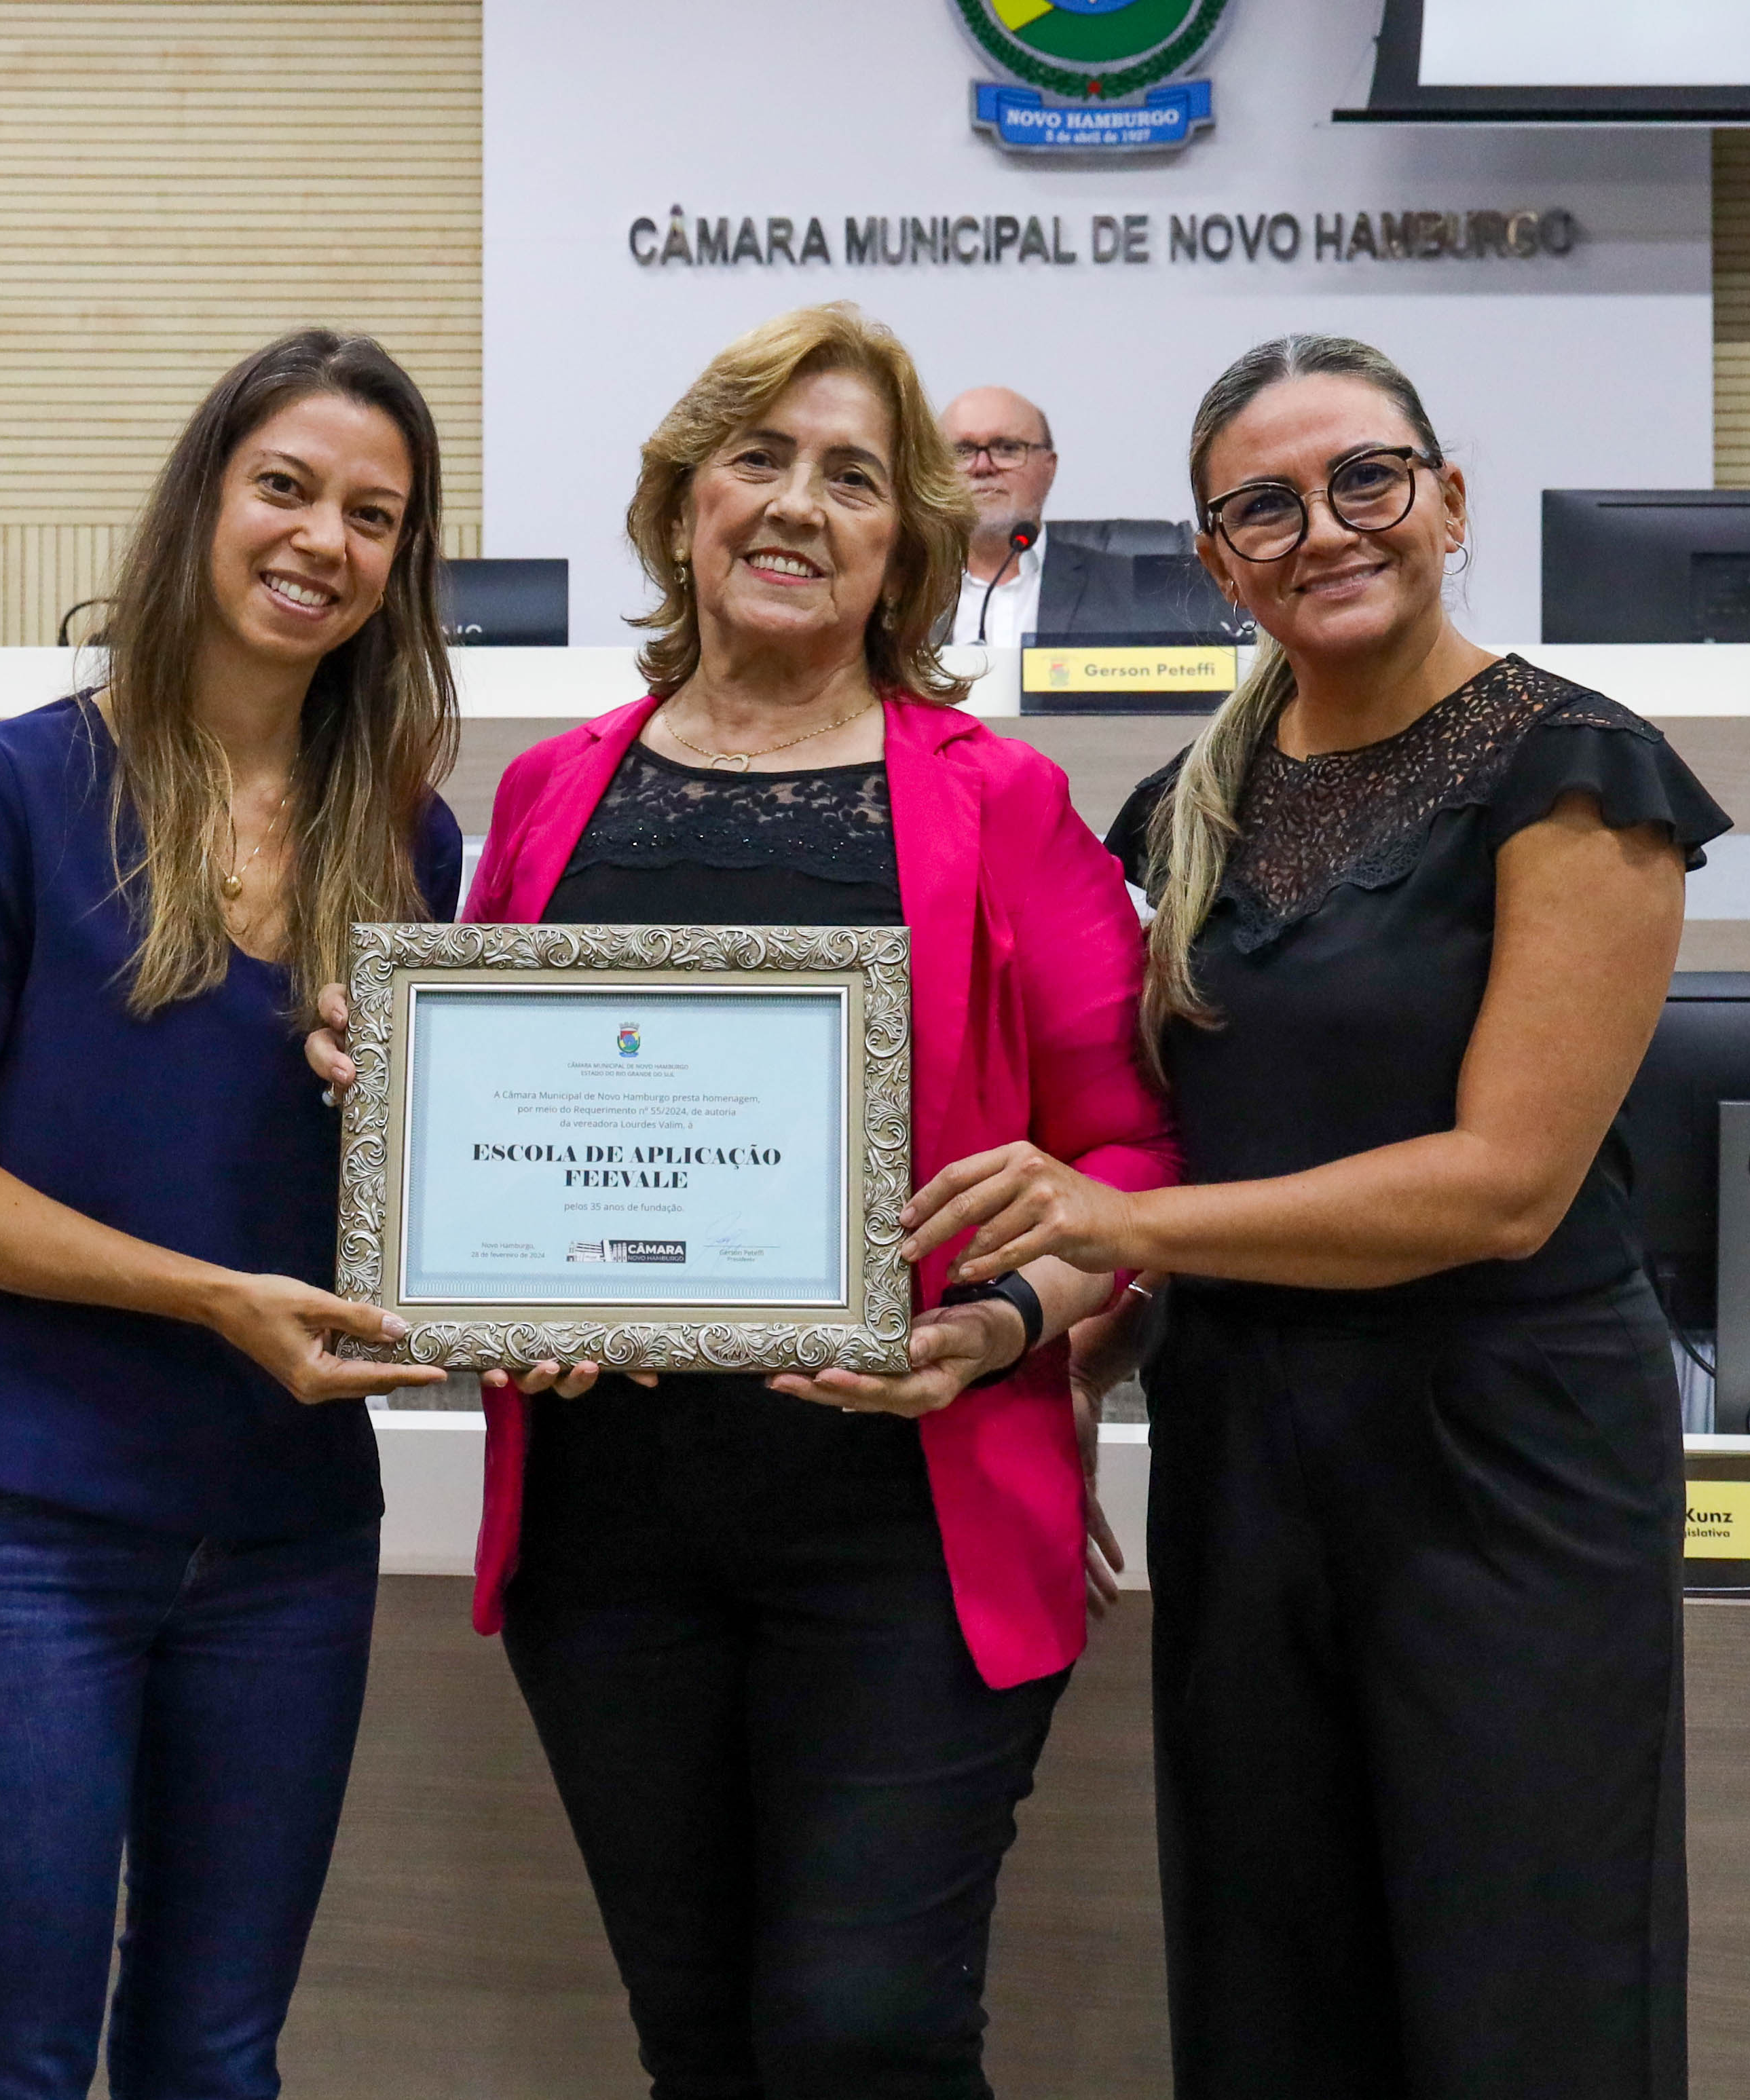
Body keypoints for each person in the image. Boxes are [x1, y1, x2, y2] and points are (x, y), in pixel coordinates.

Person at [314, 303, 1174, 2097]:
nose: (796, 504)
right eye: (757, 459)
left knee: (863, 2030)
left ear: (903, 542)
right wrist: (410, 1136)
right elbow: (501, 1142)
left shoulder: (1005, 803)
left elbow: (1130, 1155)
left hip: (905, 1534)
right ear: (682, 506)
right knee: (695, 2039)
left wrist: (1007, 1317)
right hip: (609, 1539)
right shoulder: (548, 792)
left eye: (850, 476)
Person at [901, 333, 1731, 2098]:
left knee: (1520, 1984)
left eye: (1364, 478)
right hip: (1246, 1442)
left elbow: (1502, 1188)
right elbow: (1138, 1165)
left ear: (1444, 499)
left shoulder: (1574, 770)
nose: (1321, 528)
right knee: (1268, 1975)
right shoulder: (1181, 804)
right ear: (1212, 561)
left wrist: (1127, 1239)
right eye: (1259, 506)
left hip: (1499, 1456)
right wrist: (1030, 1333)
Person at [0, 331, 465, 2095]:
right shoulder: (15, 787)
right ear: (202, 498)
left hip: (282, 1542)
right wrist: (211, 1296)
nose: (321, 539)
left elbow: (430, 1200)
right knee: (12, 2056)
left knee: (214, 2052)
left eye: (372, 514)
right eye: (284, 486)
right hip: (15, 1527)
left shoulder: (407, 838)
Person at [941, 382, 1134, 644]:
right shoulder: (895, 590)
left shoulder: (1122, 587)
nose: (983, 467)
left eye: (1007, 449)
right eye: (962, 452)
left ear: (1049, 467)